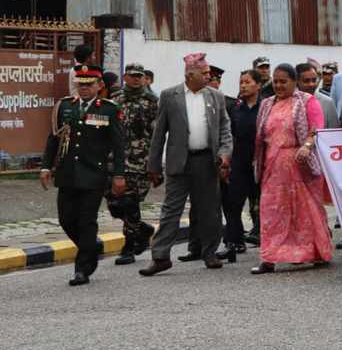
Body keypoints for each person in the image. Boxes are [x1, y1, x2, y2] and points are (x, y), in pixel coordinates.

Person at [140, 54, 232, 276]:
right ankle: (160, 256)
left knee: (209, 210)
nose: (209, 76)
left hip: (207, 162)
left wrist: (225, 154)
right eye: (205, 73)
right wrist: (153, 166)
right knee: (171, 210)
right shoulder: (170, 96)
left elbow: (225, 130)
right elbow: (159, 134)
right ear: (191, 74)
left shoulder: (216, 97)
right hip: (178, 163)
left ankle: (209, 253)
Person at [40, 64, 126, 286]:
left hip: (93, 174)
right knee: (66, 219)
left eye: (89, 84)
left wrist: (118, 174)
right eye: (80, 84)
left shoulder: (108, 109)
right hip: (67, 173)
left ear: (99, 86)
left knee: (87, 221)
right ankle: (91, 247)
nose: (84, 88)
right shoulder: (65, 106)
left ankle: (83, 269)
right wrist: (46, 167)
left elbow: (118, 146)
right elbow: (54, 138)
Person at [245, 64, 333, 274]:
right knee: (271, 210)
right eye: (275, 81)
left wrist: (307, 146)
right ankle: (269, 258)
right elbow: (261, 135)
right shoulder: (267, 104)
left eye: (283, 81)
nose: (278, 85)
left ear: (294, 82)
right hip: (273, 166)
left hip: (300, 165)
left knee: (304, 212)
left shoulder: (306, 101)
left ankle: (312, 252)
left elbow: (316, 129)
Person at [108, 63, 157, 266]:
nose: (136, 79)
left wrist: (156, 165)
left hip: (140, 162)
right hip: (115, 161)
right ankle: (143, 229)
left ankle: (128, 248)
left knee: (130, 203)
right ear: (125, 77)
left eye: (140, 75)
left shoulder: (152, 102)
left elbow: (159, 133)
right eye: (132, 75)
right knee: (114, 205)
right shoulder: (114, 100)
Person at [216, 69, 263, 262]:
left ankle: (269, 244)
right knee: (233, 204)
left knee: (261, 206)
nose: (243, 85)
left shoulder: (266, 107)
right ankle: (233, 244)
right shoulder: (235, 109)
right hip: (239, 163)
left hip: (261, 164)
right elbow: (229, 136)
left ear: (258, 85)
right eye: (241, 82)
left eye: (247, 82)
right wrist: (226, 161)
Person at [297, 62, 337, 128]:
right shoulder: (289, 102)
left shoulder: (327, 103)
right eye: (306, 81)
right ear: (297, 81)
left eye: (314, 80)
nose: (311, 84)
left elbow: (334, 133)